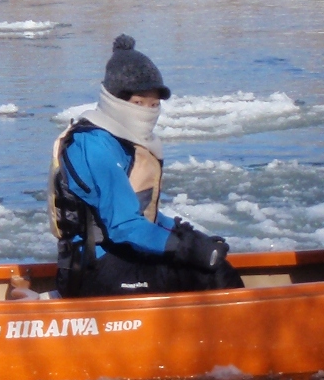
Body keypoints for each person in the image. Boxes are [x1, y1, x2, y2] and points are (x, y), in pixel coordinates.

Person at [47, 35, 245, 298]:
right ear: (115, 100)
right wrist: (186, 249)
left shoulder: (121, 141)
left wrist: (190, 238)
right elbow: (124, 226)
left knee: (214, 265)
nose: (147, 111)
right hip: (93, 271)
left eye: (154, 105)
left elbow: (144, 216)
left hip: (120, 257)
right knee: (210, 274)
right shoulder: (94, 147)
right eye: (138, 103)